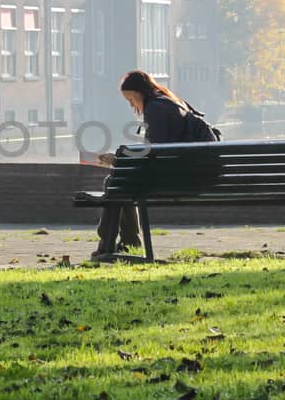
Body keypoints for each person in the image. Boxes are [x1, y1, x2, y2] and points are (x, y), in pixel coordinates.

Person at [92, 70, 215, 261]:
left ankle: (109, 245)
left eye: (131, 99)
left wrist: (120, 160)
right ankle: (127, 242)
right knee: (119, 180)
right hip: (195, 173)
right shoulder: (170, 102)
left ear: (140, 92)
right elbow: (159, 151)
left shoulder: (155, 108)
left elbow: (156, 153)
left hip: (181, 179)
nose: (132, 105)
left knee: (115, 182)